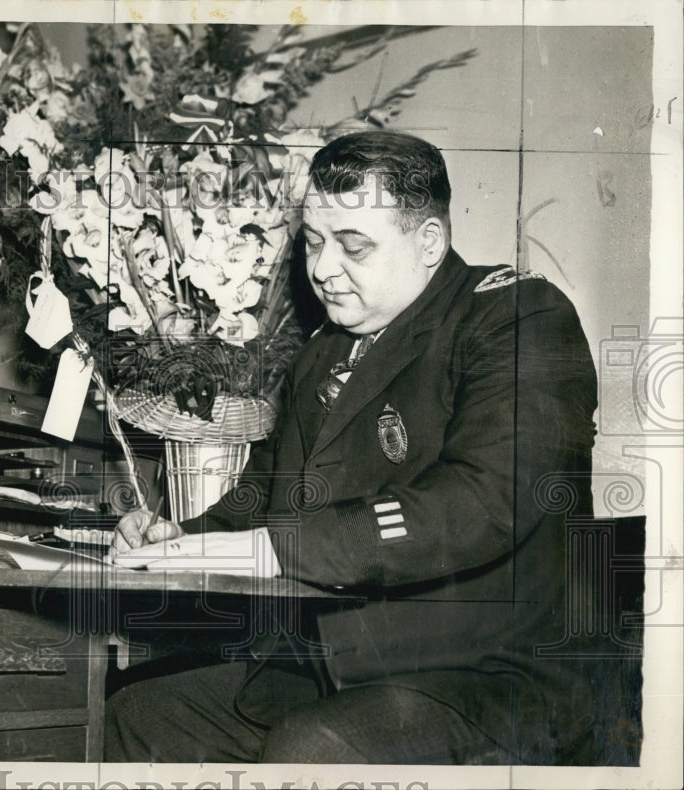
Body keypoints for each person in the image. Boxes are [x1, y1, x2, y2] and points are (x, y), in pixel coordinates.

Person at [105, 131, 599, 764]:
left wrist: (282, 550)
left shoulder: (516, 316)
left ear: (428, 242)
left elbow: (485, 497)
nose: (321, 269)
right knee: (143, 716)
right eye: (313, 242)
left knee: (314, 747)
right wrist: (173, 536)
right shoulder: (323, 353)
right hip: (343, 663)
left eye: (352, 246)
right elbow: (264, 497)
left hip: (490, 677)